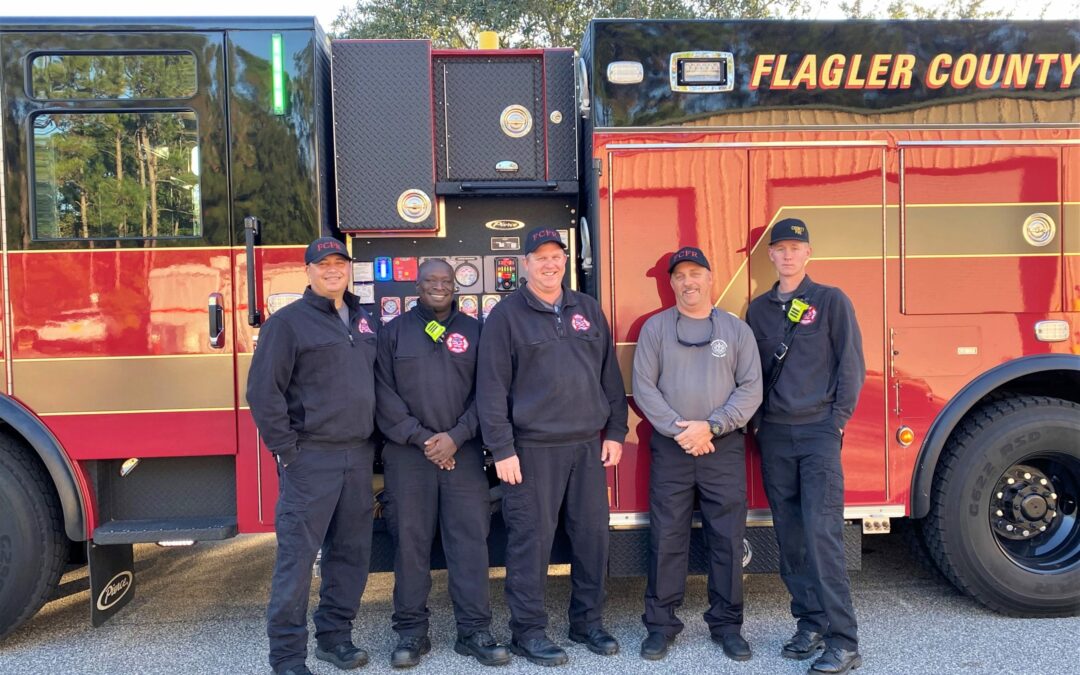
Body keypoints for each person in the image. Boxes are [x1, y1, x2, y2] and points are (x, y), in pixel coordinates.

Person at [476, 226, 629, 667]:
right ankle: (528, 632)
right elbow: (491, 388)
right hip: (532, 450)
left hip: (586, 446)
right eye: (539, 256)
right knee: (531, 543)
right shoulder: (506, 315)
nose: (549, 263)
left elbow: (609, 378)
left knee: (591, 539)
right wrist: (501, 449)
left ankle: (587, 623)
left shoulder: (587, 309)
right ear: (525, 264)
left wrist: (615, 431)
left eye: (556, 255)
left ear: (565, 260)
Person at [247, 237, 378, 675]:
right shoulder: (287, 325)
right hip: (311, 460)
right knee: (298, 561)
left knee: (351, 555)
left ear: (348, 270)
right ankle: (286, 657)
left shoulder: (362, 319)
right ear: (308, 271)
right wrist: (288, 453)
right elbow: (263, 393)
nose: (333, 270)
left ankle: (335, 638)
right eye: (324, 264)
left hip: (357, 458)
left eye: (340, 263)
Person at [374, 259, 511, 669]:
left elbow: (488, 393)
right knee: (410, 545)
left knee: (469, 544)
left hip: (464, 454)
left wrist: (456, 437)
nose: (439, 286)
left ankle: (474, 632)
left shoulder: (476, 331)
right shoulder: (392, 333)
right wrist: (423, 439)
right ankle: (411, 634)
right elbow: (382, 394)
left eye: (446, 281)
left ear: (456, 286)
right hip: (407, 456)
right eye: (431, 280)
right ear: (417, 285)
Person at [746, 218, 866, 675]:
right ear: (771, 256)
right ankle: (810, 622)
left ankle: (844, 640)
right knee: (790, 537)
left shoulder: (830, 301)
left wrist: (835, 424)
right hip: (774, 435)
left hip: (818, 432)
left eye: (796, 247)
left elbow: (850, 365)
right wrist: (756, 425)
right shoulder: (756, 311)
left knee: (822, 536)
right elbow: (750, 374)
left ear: (808, 253)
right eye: (781, 248)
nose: (789, 255)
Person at [632, 247, 762, 662]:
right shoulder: (655, 329)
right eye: (681, 276)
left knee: (727, 539)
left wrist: (713, 426)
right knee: (667, 538)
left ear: (711, 279)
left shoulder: (736, 330)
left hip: (721, 447)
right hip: (673, 449)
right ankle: (660, 625)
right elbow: (644, 387)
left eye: (696, 274)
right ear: (671, 283)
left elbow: (751, 388)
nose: (688, 282)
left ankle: (727, 625)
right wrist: (681, 431)